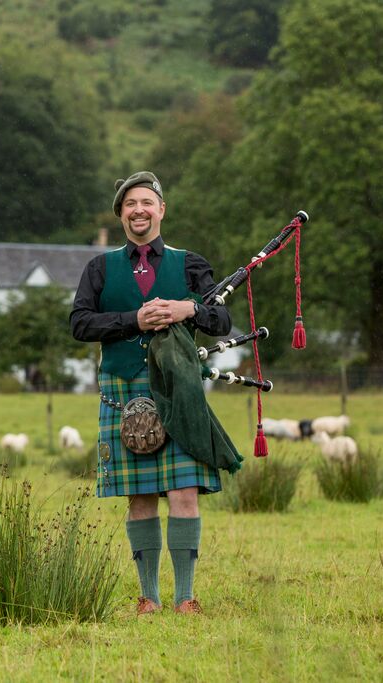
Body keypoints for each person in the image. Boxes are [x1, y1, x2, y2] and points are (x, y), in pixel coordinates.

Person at [69, 171, 232, 616]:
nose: (138, 210)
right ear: (121, 214)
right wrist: (133, 322)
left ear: (161, 209)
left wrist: (190, 308)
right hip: (124, 392)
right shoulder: (100, 268)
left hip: (178, 389)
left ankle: (185, 598)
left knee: (184, 491)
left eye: (147, 202)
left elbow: (222, 320)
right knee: (139, 496)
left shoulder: (190, 263)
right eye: (129, 205)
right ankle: (148, 598)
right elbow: (80, 323)